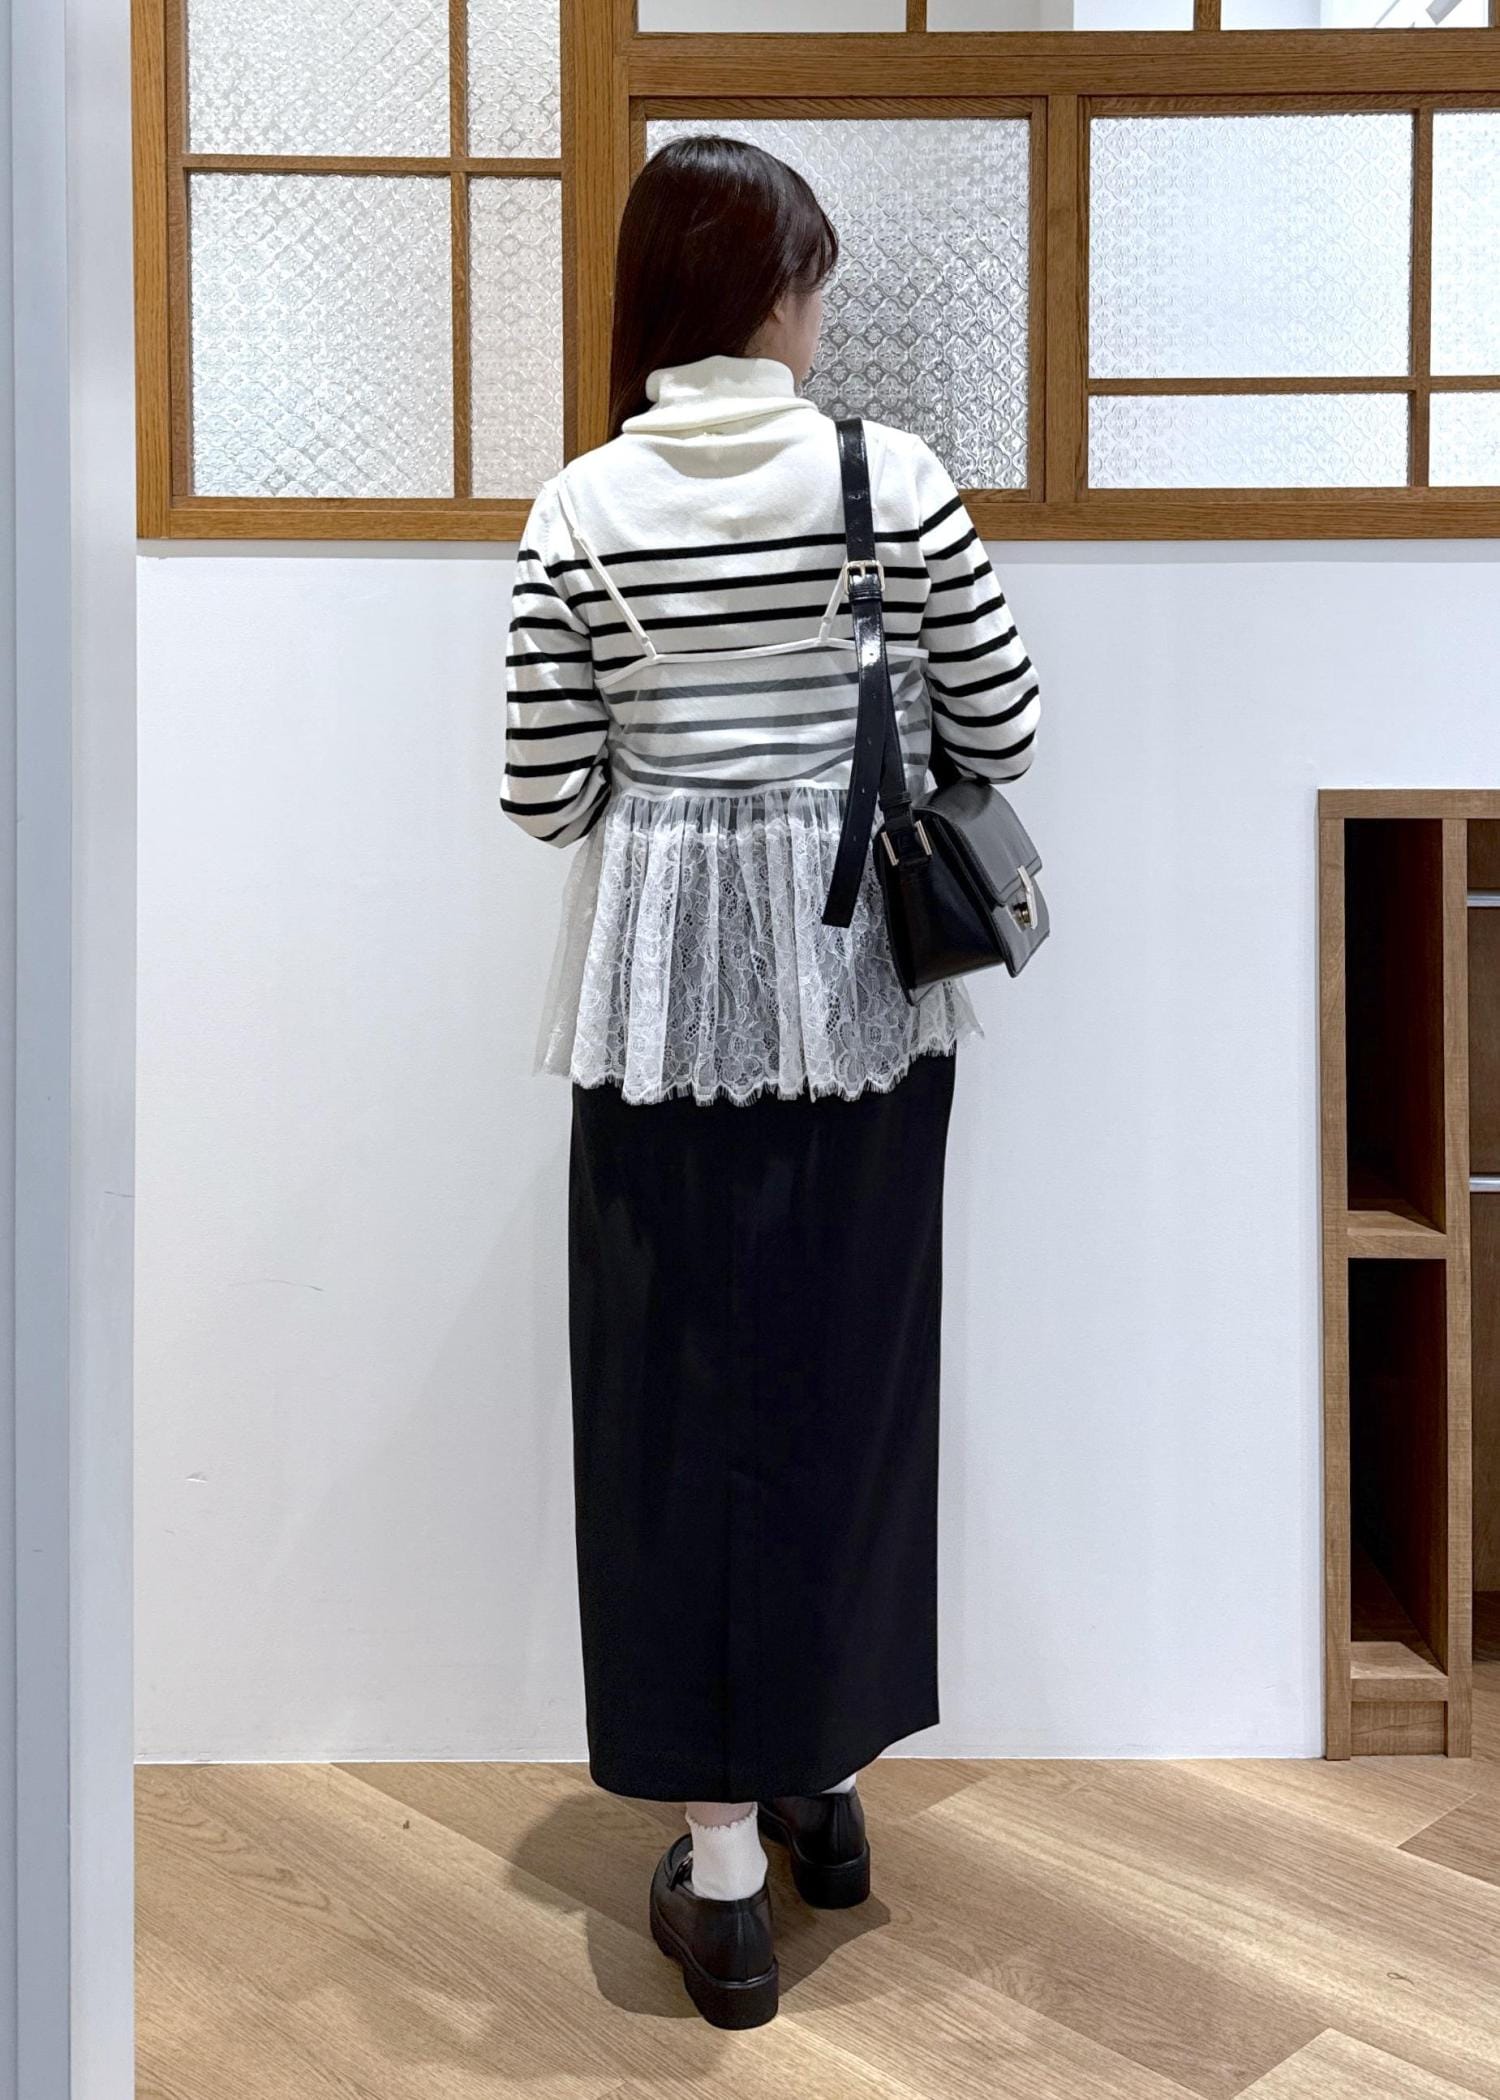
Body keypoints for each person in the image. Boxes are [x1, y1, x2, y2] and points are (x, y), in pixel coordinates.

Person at [501, 134, 1041, 2029]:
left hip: (658, 1020)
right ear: (782, 292)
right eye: (814, 279)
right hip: (863, 1006)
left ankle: (723, 1875)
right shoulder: (894, 480)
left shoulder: (578, 506)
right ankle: (825, 1784)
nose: (820, 312)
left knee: (671, 1419)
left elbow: (542, 790)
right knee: (849, 1397)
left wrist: (678, 745)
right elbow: (1003, 726)